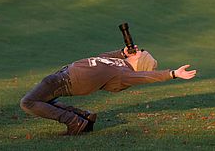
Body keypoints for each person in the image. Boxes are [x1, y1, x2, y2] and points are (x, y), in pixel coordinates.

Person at [20, 47, 197, 135]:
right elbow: (102, 57)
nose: (136, 51)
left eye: (138, 52)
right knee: (44, 101)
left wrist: (173, 73)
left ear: (139, 60)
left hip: (64, 81)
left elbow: (145, 77)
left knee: (28, 102)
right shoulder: (118, 63)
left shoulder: (124, 74)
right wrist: (121, 52)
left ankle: (75, 122)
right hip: (62, 76)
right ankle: (84, 117)